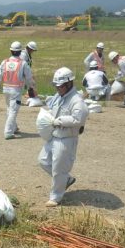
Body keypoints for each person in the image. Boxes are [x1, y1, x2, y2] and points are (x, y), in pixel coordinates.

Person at [38, 67, 88, 207]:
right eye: (56, 86)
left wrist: (58, 121)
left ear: (69, 83)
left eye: (60, 86)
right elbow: (52, 107)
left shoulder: (76, 100)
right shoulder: (59, 96)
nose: (58, 88)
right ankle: (66, 180)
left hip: (66, 138)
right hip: (54, 136)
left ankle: (56, 197)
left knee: (59, 169)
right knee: (43, 160)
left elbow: (79, 119)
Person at [0, 41, 36, 139]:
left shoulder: (5, 62)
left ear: (11, 51)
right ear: (20, 52)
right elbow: (29, 78)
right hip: (16, 91)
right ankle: (8, 132)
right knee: (13, 111)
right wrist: (31, 88)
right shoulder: (23, 63)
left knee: (9, 109)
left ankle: (14, 127)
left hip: (6, 89)